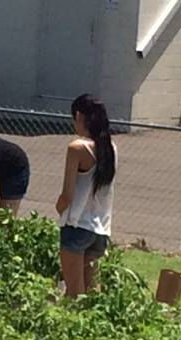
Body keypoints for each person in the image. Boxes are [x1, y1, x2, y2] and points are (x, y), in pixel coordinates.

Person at [56, 94, 117, 298]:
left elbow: (67, 194)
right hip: (100, 229)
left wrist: (59, 208)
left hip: (77, 225)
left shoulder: (77, 148)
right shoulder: (111, 148)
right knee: (92, 294)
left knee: (74, 294)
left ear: (80, 116)